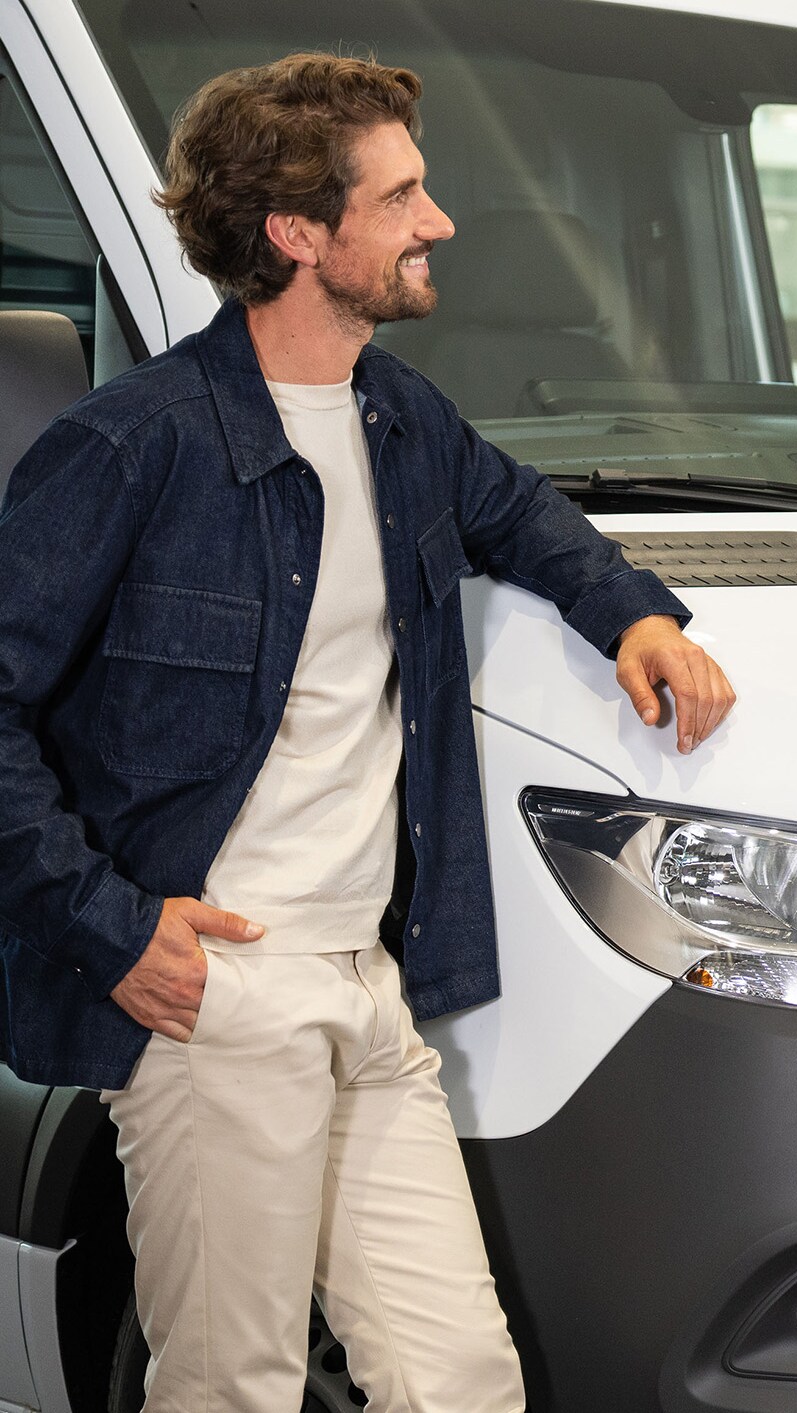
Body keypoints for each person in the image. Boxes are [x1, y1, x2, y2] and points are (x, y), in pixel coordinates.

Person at [0, 53, 735, 1410]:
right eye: (401, 196)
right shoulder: (131, 449)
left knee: (458, 1380)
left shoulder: (403, 421)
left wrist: (633, 616)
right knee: (235, 1389)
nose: (436, 220)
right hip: (217, 997)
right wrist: (113, 925)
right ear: (297, 233)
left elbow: (523, 516)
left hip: (369, 988)